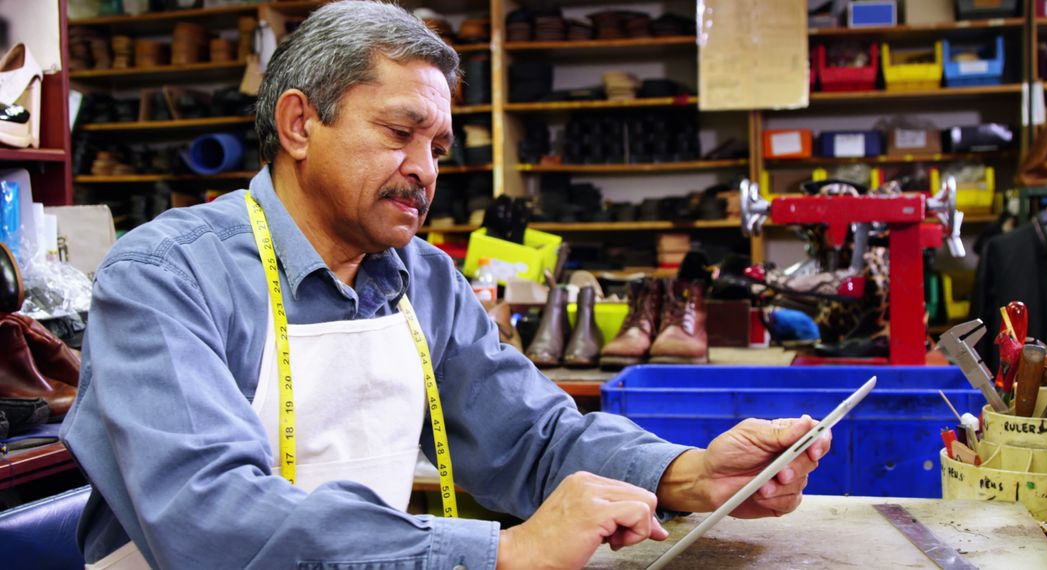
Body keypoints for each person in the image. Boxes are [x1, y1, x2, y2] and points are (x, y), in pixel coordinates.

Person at [60, 2, 831, 568]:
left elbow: (530, 438)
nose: (426, 169)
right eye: (400, 133)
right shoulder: (167, 276)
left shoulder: (422, 277)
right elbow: (208, 517)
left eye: (438, 145)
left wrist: (688, 473)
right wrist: (498, 553)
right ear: (299, 124)